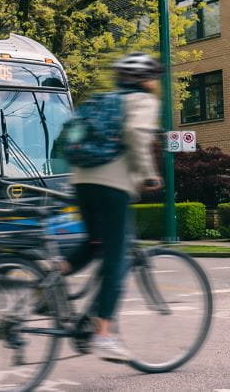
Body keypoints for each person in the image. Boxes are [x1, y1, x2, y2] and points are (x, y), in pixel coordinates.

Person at [62, 52, 163, 362]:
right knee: (117, 261)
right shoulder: (144, 101)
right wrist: (148, 175)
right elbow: (135, 135)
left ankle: (45, 281)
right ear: (147, 79)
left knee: (94, 245)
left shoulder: (104, 99)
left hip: (81, 180)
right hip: (113, 185)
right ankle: (103, 334)